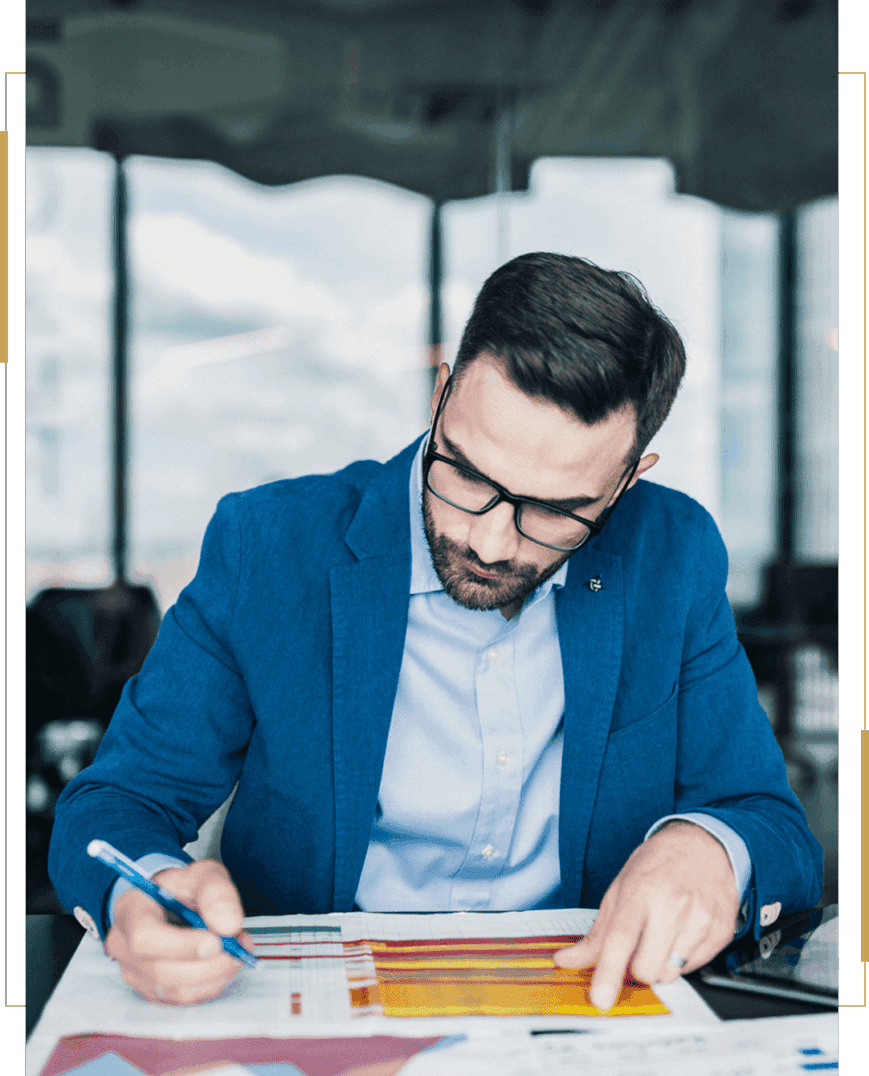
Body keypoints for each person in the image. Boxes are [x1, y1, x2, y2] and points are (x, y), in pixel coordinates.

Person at [49, 252, 822, 1011]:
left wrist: (711, 851)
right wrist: (137, 892)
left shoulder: (671, 556)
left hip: (579, 1015)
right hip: (319, 1021)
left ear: (627, 480)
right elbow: (118, 800)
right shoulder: (270, 547)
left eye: (555, 511)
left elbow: (771, 824)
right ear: (441, 395)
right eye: (468, 475)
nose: (491, 542)